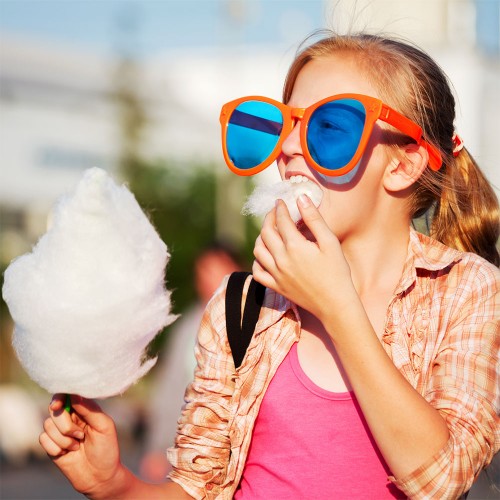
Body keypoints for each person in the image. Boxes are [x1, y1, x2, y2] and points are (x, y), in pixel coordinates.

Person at [39, 32, 499, 499]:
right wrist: (114, 485)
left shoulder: (467, 291)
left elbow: (442, 478)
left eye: (329, 126)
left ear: (402, 166)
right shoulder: (242, 304)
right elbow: (198, 488)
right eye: (286, 124)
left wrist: (338, 308)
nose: (289, 147)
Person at [140, 243, 242, 483]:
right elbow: (169, 389)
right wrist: (157, 447)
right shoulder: (186, 329)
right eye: (202, 272)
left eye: (216, 270)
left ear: (236, 269)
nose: (208, 279)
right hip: (191, 455)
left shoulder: (258, 319)